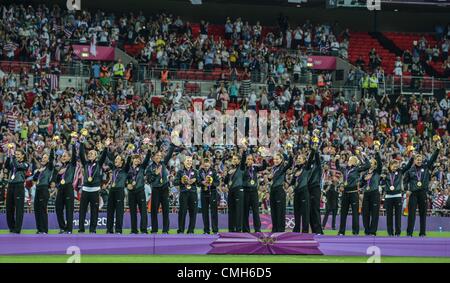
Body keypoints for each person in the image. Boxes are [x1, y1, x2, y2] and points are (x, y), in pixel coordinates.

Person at [406, 142, 440, 237]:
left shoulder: (426, 167)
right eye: (417, 159)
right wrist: (406, 189)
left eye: (420, 160)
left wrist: (437, 150)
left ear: (422, 160)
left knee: (423, 214)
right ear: (414, 160)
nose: (419, 161)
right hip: (413, 193)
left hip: (422, 193)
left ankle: (422, 233)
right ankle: (409, 233)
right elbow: (405, 181)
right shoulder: (410, 170)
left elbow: (432, 159)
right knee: (411, 214)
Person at [78, 138, 110, 233]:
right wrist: (82, 143)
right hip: (85, 190)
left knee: (94, 211)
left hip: (95, 190)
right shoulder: (85, 163)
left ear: (96, 156)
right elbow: (80, 154)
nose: (89, 155)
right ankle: (81, 229)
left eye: (92, 153)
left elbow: (103, 156)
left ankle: (92, 229)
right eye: (89, 154)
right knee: (82, 210)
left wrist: (105, 147)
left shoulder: (98, 164)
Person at [336, 149, 370, 235]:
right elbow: (337, 167)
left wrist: (364, 156)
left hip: (354, 192)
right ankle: (341, 231)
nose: (349, 161)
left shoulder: (357, 169)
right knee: (343, 213)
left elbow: (367, 166)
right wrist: (336, 159)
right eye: (349, 159)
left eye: (351, 160)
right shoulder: (345, 169)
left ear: (355, 162)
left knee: (355, 214)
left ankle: (355, 232)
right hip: (345, 193)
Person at [147, 143, 176, 234]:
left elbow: (169, 154)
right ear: (153, 157)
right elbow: (149, 180)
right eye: (157, 155)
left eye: (160, 155)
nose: (159, 157)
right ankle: (154, 230)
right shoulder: (150, 167)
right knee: (154, 211)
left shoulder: (163, 163)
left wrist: (173, 145)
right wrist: (155, 174)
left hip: (164, 189)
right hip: (155, 189)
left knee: (166, 210)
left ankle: (165, 230)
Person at [384, 155, 413, 236]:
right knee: (389, 216)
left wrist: (412, 158)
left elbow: (407, 166)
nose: (395, 168)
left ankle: (398, 233)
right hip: (388, 196)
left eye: (397, 166)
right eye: (394, 166)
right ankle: (390, 233)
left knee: (398, 216)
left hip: (397, 196)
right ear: (390, 165)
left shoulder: (400, 171)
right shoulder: (385, 173)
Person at [126, 146, 152, 234]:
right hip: (131, 193)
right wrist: (127, 184)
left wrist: (149, 150)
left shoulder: (142, 167)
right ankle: (134, 230)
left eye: (138, 159)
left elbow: (147, 159)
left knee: (143, 212)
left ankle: (144, 230)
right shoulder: (128, 168)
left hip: (140, 191)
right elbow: (125, 178)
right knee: (133, 212)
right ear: (132, 160)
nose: (137, 160)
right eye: (135, 159)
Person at [5, 145, 29, 234]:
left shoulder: (25, 164)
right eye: (16, 154)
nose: (17, 155)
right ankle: (11, 227)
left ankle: (17, 228)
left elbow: (17, 166)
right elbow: (7, 166)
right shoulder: (13, 162)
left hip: (19, 186)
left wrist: (13, 156)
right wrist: (8, 155)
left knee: (19, 208)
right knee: (9, 208)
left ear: (23, 155)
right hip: (11, 185)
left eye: (19, 154)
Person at [105, 151, 131, 234]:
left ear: (122, 161)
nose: (116, 160)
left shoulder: (125, 170)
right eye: (115, 159)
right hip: (112, 190)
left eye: (118, 159)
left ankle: (118, 230)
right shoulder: (113, 168)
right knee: (110, 211)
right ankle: (109, 230)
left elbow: (128, 163)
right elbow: (107, 159)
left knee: (119, 211)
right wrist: (104, 148)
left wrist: (129, 154)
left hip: (120, 191)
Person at [242, 151, 267, 233]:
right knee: (245, 212)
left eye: (251, 159)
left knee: (256, 211)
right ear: (246, 160)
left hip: (254, 192)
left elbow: (264, 167)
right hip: (245, 192)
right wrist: (244, 154)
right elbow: (242, 163)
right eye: (248, 159)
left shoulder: (255, 168)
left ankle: (257, 229)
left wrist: (263, 158)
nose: (250, 161)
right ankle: (246, 230)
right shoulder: (242, 168)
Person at [269, 149, 293, 232]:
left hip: (279, 190)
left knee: (280, 212)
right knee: (273, 211)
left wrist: (290, 154)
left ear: (281, 160)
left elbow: (290, 164)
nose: (275, 160)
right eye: (274, 159)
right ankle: (274, 229)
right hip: (272, 191)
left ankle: (280, 230)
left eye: (277, 159)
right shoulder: (273, 168)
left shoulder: (283, 167)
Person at [290, 148, 314, 233]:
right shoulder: (296, 170)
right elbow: (292, 183)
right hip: (296, 193)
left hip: (304, 192)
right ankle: (296, 230)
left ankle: (305, 231)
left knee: (305, 214)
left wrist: (313, 150)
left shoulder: (306, 168)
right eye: (297, 158)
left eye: (300, 158)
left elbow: (310, 159)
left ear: (304, 161)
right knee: (296, 212)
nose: (298, 160)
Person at [55, 143, 77, 234]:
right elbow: (56, 180)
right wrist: (59, 174)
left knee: (69, 210)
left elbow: (74, 155)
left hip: (68, 188)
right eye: (62, 156)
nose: (63, 157)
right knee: (58, 208)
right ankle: (62, 227)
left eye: (65, 156)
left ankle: (69, 229)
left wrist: (72, 145)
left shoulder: (72, 165)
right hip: (60, 189)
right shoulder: (60, 167)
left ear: (69, 158)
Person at [33, 146, 55, 234]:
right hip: (38, 189)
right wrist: (38, 171)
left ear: (48, 160)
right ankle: (39, 229)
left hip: (44, 189)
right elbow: (34, 179)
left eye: (45, 157)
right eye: (43, 157)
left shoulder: (49, 167)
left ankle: (45, 230)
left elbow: (52, 159)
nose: (43, 158)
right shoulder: (40, 169)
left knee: (42, 210)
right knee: (37, 209)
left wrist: (52, 150)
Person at [224, 148, 247, 232]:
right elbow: (225, 181)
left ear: (239, 160)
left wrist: (244, 151)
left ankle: (238, 229)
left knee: (239, 210)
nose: (233, 160)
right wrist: (227, 174)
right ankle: (231, 229)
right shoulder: (230, 169)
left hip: (238, 190)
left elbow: (244, 159)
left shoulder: (241, 167)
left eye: (235, 159)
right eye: (233, 159)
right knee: (231, 210)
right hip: (231, 190)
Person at [361, 144, 382, 236]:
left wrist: (377, 152)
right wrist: (363, 179)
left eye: (372, 162)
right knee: (365, 213)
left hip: (374, 193)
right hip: (366, 194)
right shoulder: (365, 173)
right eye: (369, 162)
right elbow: (361, 184)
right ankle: (367, 230)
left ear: (375, 165)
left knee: (374, 214)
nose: (370, 164)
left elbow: (380, 163)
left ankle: (373, 231)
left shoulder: (377, 172)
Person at [175, 156, 199, 234]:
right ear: (184, 162)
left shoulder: (195, 171)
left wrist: (195, 180)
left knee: (193, 212)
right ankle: (181, 230)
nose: (189, 162)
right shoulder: (180, 172)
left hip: (193, 193)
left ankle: (191, 230)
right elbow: (175, 182)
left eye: (190, 161)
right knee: (182, 212)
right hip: (184, 193)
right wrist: (182, 181)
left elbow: (199, 183)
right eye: (187, 161)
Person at [199, 158, 220, 234]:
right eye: (205, 166)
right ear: (203, 164)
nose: (206, 167)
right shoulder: (200, 172)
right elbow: (198, 182)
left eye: (207, 166)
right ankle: (206, 230)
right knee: (205, 212)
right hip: (204, 193)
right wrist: (202, 182)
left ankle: (215, 230)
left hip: (212, 192)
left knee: (214, 212)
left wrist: (212, 184)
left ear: (210, 164)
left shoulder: (214, 171)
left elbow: (218, 182)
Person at [308, 143, 324, 234]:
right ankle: (314, 230)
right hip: (308, 189)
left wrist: (316, 150)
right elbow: (310, 160)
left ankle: (319, 231)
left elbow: (317, 159)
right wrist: (312, 151)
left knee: (315, 210)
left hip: (315, 188)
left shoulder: (318, 167)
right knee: (310, 210)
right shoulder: (309, 167)